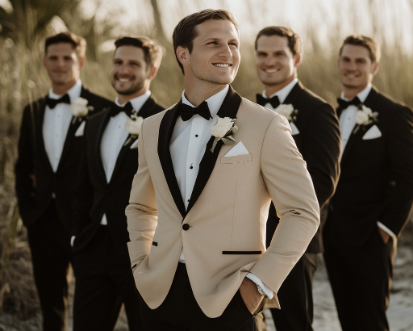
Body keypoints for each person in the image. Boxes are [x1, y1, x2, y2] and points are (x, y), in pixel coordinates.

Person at [126, 9, 320, 331]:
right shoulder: (152, 127)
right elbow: (141, 206)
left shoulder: (266, 125)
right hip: (159, 294)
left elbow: (303, 211)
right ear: (183, 54)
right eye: (214, 42)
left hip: (230, 297)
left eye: (233, 43)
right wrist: (140, 264)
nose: (227, 53)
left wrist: (259, 284)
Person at [14, 32, 111, 331]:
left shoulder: (104, 108)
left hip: (85, 223)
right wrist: (29, 213)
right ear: (44, 61)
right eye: (53, 58)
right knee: (50, 305)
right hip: (42, 221)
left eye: (66, 58)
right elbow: (24, 167)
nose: (59, 64)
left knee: (91, 306)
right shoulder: (32, 110)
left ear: (79, 60)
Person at [70, 36, 164, 331]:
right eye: (118, 62)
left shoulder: (165, 121)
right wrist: (77, 235)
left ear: (151, 71)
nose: (123, 70)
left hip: (143, 249)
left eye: (133, 64)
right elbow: (83, 186)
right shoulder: (95, 122)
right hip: (93, 248)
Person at [323, 35, 413, 331]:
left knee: (371, 322)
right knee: (348, 321)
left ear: (373, 65)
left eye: (360, 61)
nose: (352, 67)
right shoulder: (332, 114)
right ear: (338, 63)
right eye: (346, 60)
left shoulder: (393, 114)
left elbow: (409, 175)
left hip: (372, 239)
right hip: (335, 238)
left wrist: (386, 229)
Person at [254, 26, 341, 331]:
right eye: (262, 54)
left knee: (293, 323)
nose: (269, 61)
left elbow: (323, 180)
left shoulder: (318, 111)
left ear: (297, 58)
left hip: (293, 240)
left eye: (279, 53)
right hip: (245, 238)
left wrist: (286, 222)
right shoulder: (243, 111)